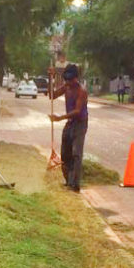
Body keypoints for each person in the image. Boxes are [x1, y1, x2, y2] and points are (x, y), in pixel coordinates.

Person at [48, 64, 89, 192]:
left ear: (76, 78)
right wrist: (51, 77)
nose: (68, 82)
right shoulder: (66, 87)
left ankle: (75, 185)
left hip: (80, 123)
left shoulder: (81, 91)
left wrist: (60, 118)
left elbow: (77, 111)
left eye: (70, 80)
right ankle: (68, 181)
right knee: (65, 154)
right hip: (70, 123)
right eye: (66, 80)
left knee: (76, 153)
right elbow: (52, 95)